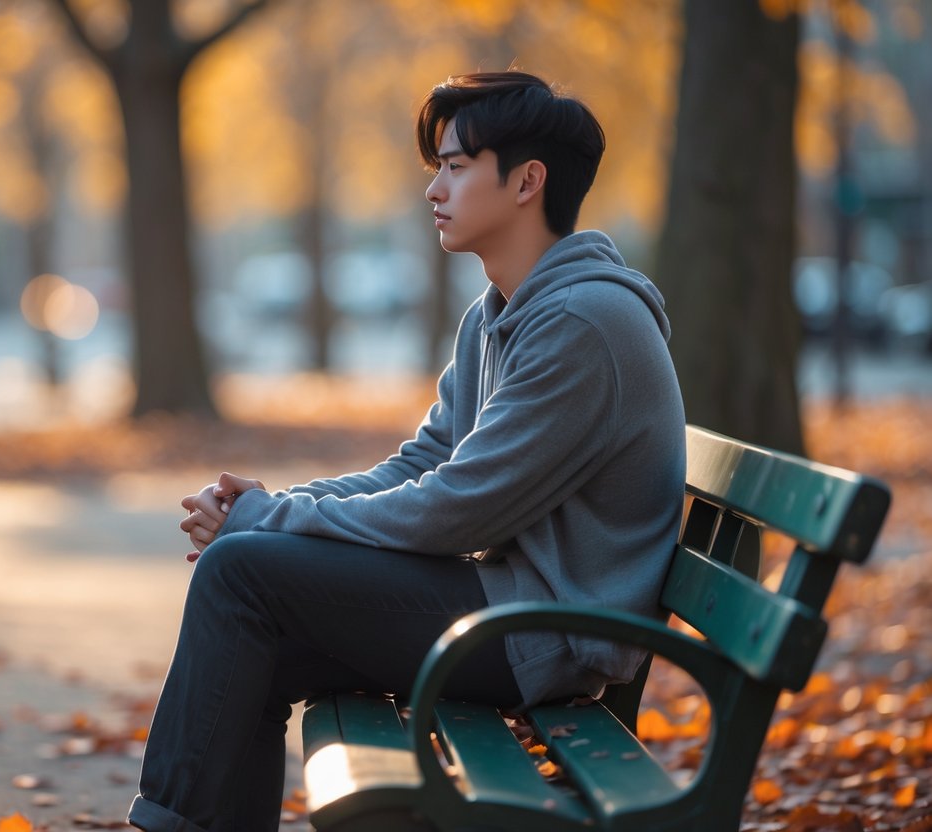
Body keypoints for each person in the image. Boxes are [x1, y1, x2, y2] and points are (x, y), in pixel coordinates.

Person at [127, 70, 686, 832]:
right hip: (503, 611)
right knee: (252, 634)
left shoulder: (584, 323)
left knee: (239, 576)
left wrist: (269, 522)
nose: (435, 189)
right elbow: (419, 466)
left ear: (527, 181)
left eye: (456, 167)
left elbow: (459, 511)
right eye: (437, 170)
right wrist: (274, 507)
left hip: (543, 636)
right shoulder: (499, 313)